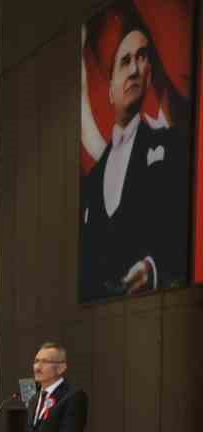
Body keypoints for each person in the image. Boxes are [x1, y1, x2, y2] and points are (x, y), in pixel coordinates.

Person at [78, 10, 189, 299]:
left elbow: (180, 235)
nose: (134, 69)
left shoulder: (171, 148)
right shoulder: (91, 182)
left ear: (150, 72)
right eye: (125, 61)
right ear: (111, 90)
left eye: (141, 57)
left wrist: (153, 270)